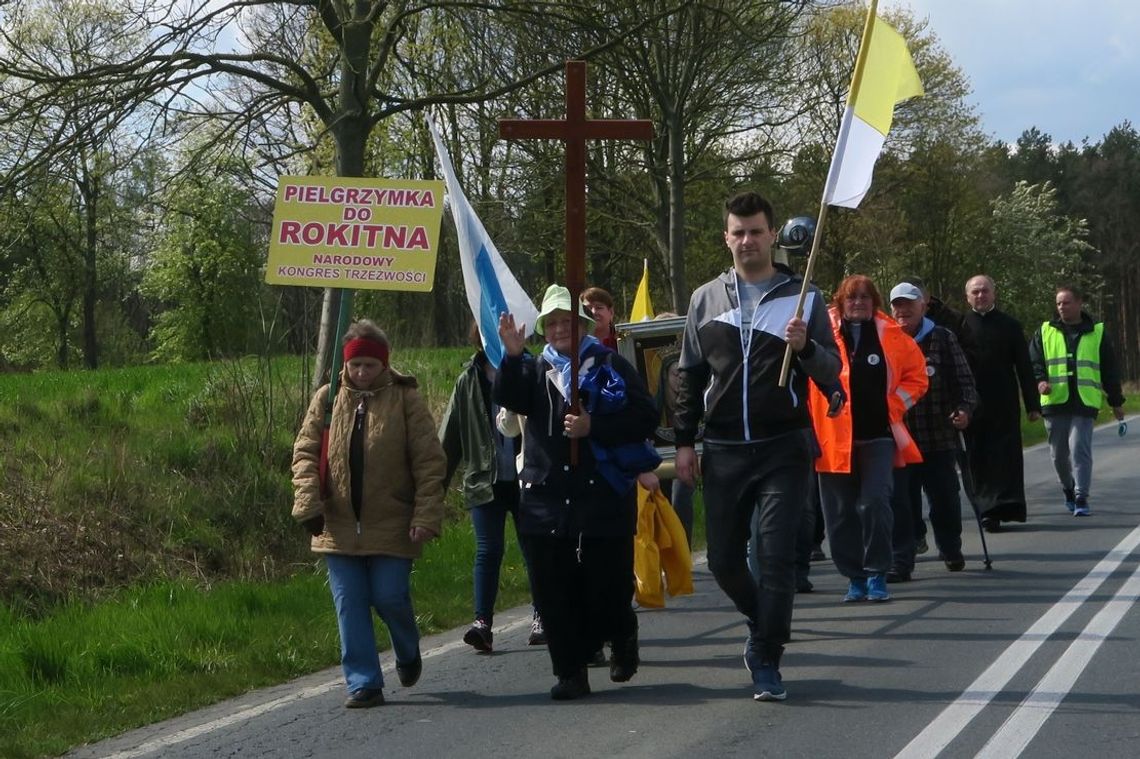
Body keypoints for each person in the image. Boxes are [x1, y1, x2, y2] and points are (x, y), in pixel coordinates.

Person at [673, 190, 840, 702]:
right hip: (722, 449)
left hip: (782, 447)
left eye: (756, 231)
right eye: (738, 232)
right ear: (726, 238)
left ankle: (766, 656)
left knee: (775, 555)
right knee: (723, 560)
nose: (747, 240)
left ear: (772, 235)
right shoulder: (705, 299)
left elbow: (833, 372)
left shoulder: (804, 294)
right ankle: (763, 620)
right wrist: (684, 443)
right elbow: (687, 375)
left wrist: (805, 347)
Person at [495, 284, 658, 701]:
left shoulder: (608, 365)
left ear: (582, 325)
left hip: (602, 493)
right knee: (553, 591)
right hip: (546, 498)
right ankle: (570, 672)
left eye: (566, 322)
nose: (558, 330)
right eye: (551, 323)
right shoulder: (533, 370)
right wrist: (513, 356)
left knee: (608, 586)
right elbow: (508, 400)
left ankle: (621, 634)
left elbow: (645, 417)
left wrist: (593, 428)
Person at [291, 320, 445, 709]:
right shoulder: (327, 399)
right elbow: (305, 454)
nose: (361, 373)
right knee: (350, 602)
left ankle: (407, 650)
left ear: (384, 364)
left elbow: (429, 462)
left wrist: (425, 514)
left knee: (390, 595)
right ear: (345, 364)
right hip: (338, 525)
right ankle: (363, 682)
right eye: (355, 365)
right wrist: (307, 503)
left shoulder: (405, 399)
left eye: (370, 366)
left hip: (392, 520)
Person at [809, 276, 927, 603]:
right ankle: (854, 577)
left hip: (878, 436)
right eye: (851, 298)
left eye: (864, 297)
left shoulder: (892, 335)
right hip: (833, 440)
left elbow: (917, 378)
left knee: (875, 503)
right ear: (840, 302)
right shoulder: (820, 334)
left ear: (874, 301)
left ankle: (877, 572)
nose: (858, 303)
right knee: (840, 513)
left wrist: (893, 404)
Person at [439, 323, 544, 654]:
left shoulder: (535, 369)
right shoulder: (468, 381)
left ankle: (543, 616)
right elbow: (449, 441)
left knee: (533, 549)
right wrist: (431, 494)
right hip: (485, 480)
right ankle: (482, 624)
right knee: (488, 551)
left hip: (528, 478)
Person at [887, 282, 978, 581]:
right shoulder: (886, 340)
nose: (903, 310)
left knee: (945, 499)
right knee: (901, 500)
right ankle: (906, 554)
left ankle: (950, 547)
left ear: (923, 306)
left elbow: (965, 382)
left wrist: (964, 409)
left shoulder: (942, 337)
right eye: (897, 305)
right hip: (900, 438)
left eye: (909, 304)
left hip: (938, 436)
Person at [1029, 285, 1126, 516]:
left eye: (1066, 302)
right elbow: (1033, 362)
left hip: (1084, 402)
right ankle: (1068, 488)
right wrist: (1040, 381)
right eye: (1059, 303)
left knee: (1079, 448)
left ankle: (1082, 497)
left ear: (1079, 303)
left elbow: (1109, 370)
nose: (1062, 307)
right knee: (1058, 454)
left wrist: (1116, 402)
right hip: (1054, 401)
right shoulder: (1044, 331)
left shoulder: (1098, 332)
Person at [960, 275, 1041, 531]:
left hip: (1004, 400)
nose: (980, 296)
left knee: (1005, 457)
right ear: (968, 297)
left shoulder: (1010, 325)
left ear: (994, 294)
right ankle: (986, 510)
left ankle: (1007, 505)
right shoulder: (959, 327)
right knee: (977, 456)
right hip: (971, 401)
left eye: (985, 291)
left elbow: (1024, 367)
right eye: (975, 292)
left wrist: (1033, 405)